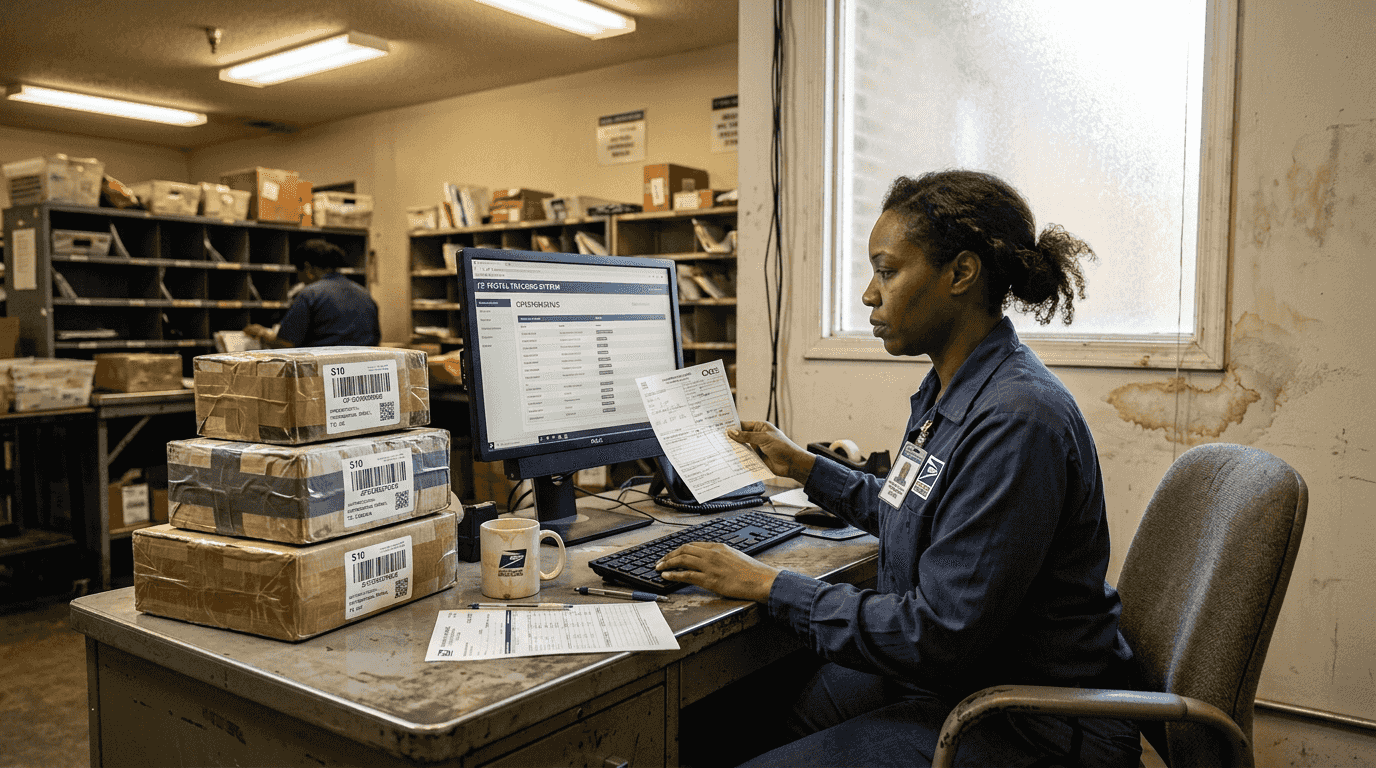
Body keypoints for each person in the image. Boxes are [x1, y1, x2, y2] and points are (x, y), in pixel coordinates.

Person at [655, 170, 1142, 766]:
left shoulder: (1017, 421)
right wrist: (806, 468)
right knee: (761, 720)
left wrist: (766, 583)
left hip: (1029, 723)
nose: (869, 294)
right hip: (966, 681)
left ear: (961, 274)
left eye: (886, 271)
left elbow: (936, 633)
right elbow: (914, 506)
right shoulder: (954, 389)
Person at [243, 238, 380, 348]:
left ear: (307, 268)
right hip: (362, 366)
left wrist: (262, 334)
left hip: (324, 368)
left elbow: (286, 343)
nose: (299, 279)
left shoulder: (310, 294)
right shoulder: (364, 293)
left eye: (298, 273)